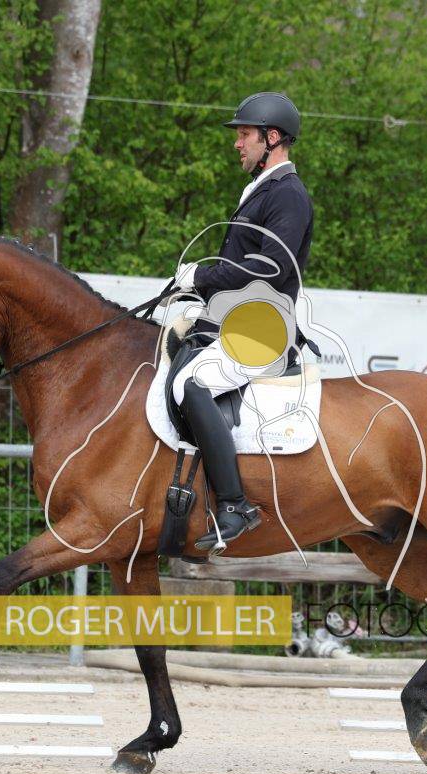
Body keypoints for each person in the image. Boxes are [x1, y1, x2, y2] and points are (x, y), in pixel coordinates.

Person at [171, 91, 314, 552]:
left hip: (264, 329)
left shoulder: (288, 194)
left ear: (272, 138)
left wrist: (202, 277)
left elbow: (269, 267)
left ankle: (235, 504)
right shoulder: (261, 190)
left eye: (245, 135)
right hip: (239, 321)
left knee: (192, 385)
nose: (237, 143)